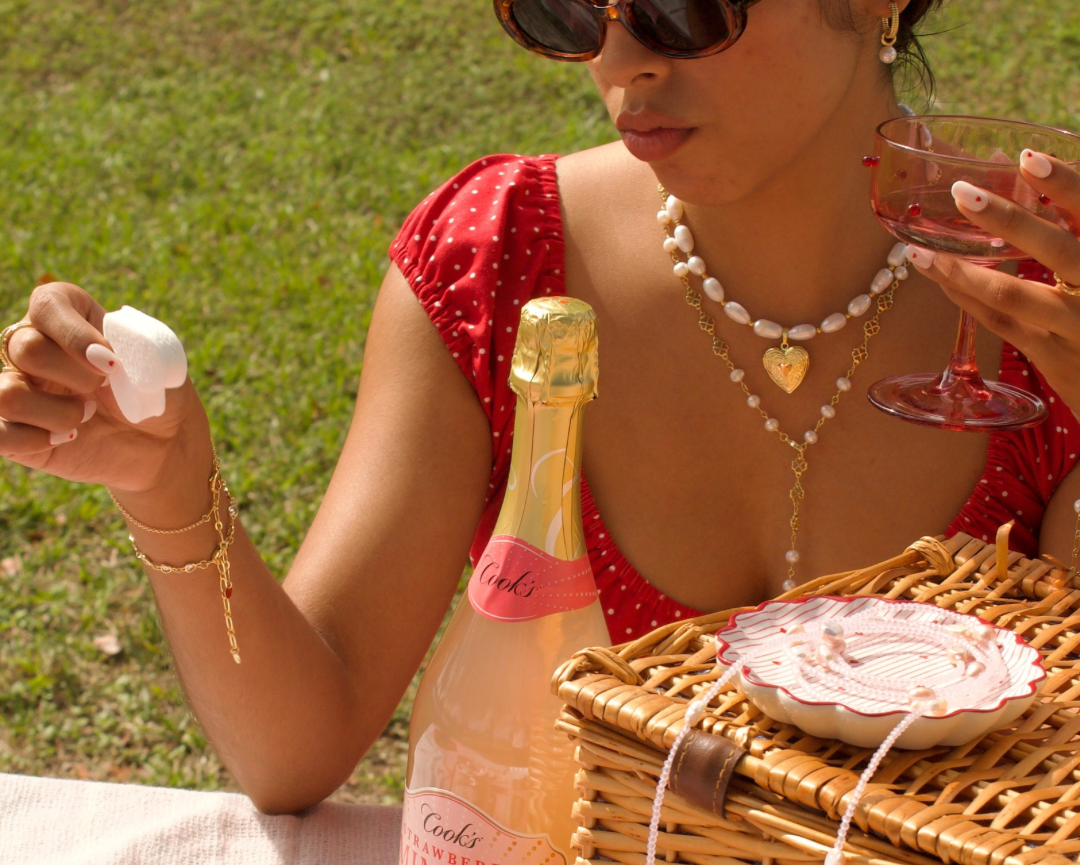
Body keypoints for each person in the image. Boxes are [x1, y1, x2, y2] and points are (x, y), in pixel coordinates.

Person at [1, 0, 1078, 815]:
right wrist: (168, 484)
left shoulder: (1052, 305)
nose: (620, 60)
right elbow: (297, 747)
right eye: (568, 10)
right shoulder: (503, 260)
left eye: (680, 8)